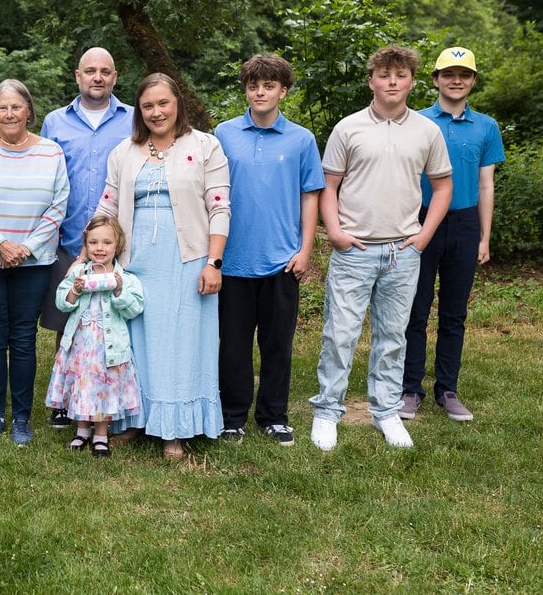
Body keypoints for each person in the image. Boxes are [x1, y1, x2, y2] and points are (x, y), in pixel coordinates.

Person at [309, 45, 453, 451]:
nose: (392, 82)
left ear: (412, 81)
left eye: (400, 75)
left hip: (402, 253)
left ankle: (386, 411)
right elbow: (328, 186)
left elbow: (443, 186)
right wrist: (335, 232)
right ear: (371, 80)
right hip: (353, 250)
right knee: (340, 334)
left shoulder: (427, 131)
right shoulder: (349, 128)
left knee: (393, 336)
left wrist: (423, 236)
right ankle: (327, 411)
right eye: (385, 75)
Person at [96, 73, 231, 460]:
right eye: (148, 106)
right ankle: (135, 419)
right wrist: (88, 255)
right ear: (139, 111)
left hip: (188, 260)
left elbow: (220, 207)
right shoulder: (124, 152)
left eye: (163, 103)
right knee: (136, 341)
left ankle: (175, 428)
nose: (156, 112)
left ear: (178, 104)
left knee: (180, 342)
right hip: (135, 261)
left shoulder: (205, 146)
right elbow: (108, 207)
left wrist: (213, 262)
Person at [214, 55, 325, 446]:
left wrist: (305, 249)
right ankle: (232, 416)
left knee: (278, 345)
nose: (260, 92)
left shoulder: (301, 139)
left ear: (283, 91)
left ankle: (274, 416)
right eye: (253, 86)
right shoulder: (223, 134)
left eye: (269, 86)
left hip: (282, 261)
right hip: (232, 261)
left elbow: (309, 196)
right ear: (245, 90)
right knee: (233, 346)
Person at [0, 80, 69, 446]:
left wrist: (26, 248)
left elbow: (58, 205)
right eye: (2, 108)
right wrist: (1, 245)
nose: (9, 114)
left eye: (16, 107)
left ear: (29, 112)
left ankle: (21, 418)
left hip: (34, 263)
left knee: (23, 338)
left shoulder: (51, 152)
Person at [401, 47, 505, 423]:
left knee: (454, 313)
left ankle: (447, 389)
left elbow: (486, 184)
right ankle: (410, 389)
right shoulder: (416, 121)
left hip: (464, 224)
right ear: (435, 79)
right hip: (421, 221)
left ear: (473, 80)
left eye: (464, 74)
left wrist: (484, 237)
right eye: (448, 74)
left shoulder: (486, 127)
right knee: (415, 309)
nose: (456, 81)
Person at [38, 47, 134, 430]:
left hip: (120, 242)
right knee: (68, 321)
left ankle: (115, 400)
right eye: (90, 71)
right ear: (78, 76)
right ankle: (66, 400)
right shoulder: (55, 121)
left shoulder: (133, 120)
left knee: (117, 319)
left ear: (115, 77)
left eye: (105, 71)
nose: (98, 77)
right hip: (67, 239)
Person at [45, 216, 144, 458]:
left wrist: (119, 290)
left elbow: (134, 308)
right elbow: (61, 303)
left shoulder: (125, 278)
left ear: (117, 245)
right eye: (93, 242)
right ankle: (82, 431)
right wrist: (75, 290)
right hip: (81, 346)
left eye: (107, 243)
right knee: (83, 385)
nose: (100, 248)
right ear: (86, 245)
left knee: (104, 389)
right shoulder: (78, 272)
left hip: (108, 348)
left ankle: (101, 435)